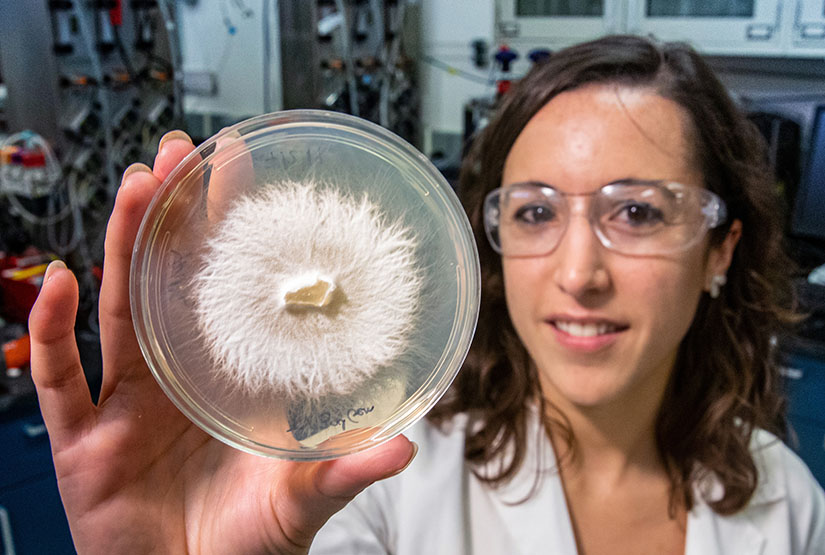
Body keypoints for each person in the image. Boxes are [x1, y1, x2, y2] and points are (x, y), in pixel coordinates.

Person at [28, 35, 824, 554]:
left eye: (639, 211)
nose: (580, 271)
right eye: (536, 211)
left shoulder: (793, 511)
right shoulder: (372, 481)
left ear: (721, 249)